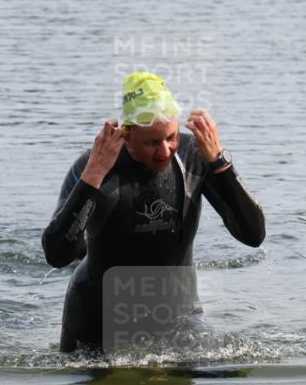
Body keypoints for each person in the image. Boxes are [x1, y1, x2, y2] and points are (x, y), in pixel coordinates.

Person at [42, 72, 265, 353]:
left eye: (171, 137)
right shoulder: (95, 164)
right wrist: (92, 178)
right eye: (152, 142)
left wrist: (220, 164)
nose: (165, 150)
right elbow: (57, 253)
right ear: (127, 134)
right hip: (97, 319)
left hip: (178, 317)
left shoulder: (193, 156)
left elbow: (253, 234)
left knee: (224, 373)